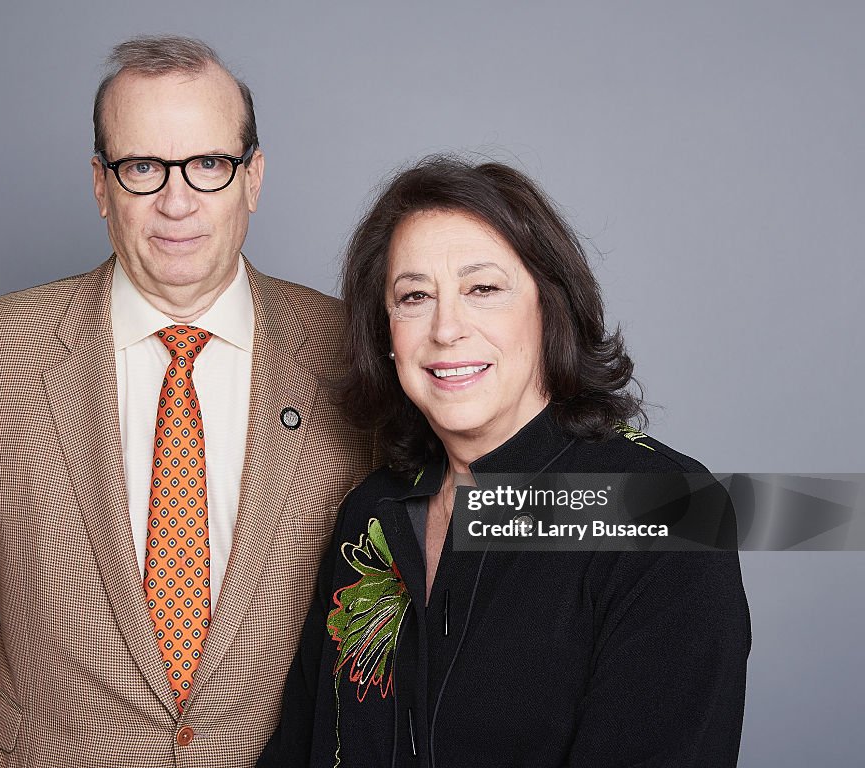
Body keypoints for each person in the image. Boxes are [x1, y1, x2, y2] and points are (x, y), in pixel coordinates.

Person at [0, 35, 373, 767]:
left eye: (209, 164)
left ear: (254, 178)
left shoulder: (352, 351)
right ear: (100, 184)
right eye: (143, 166)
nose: (176, 202)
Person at [258, 156, 751, 767]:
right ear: (386, 335)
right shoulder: (372, 513)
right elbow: (299, 748)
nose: (446, 329)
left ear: (550, 308)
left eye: (483, 289)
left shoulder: (668, 508)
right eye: (414, 297)